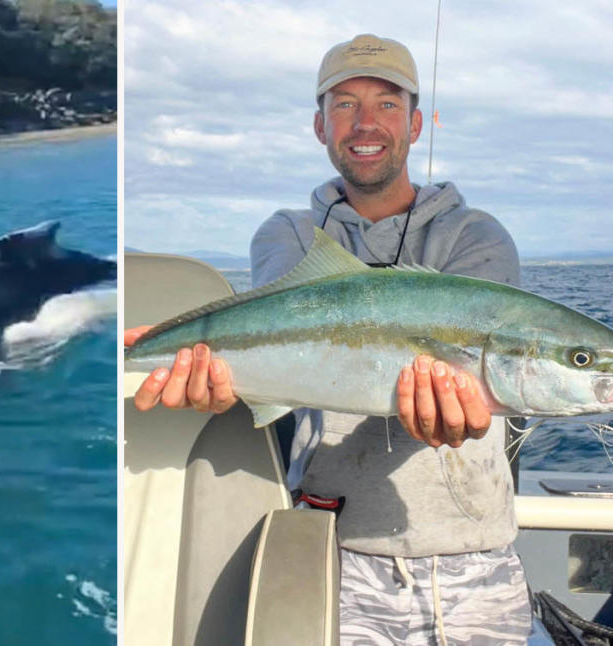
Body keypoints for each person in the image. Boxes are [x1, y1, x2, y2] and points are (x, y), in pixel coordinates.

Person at [127, 34, 531, 645]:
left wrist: (458, 408)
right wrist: (222, 383)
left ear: (416, 124)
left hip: (477, 563)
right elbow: (280, 342)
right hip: (334, 555)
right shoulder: (289, 233)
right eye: (343, 104)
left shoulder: (475, 234)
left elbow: (472, 379)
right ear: (319, 126)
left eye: (388, 105)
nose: (366, 123)